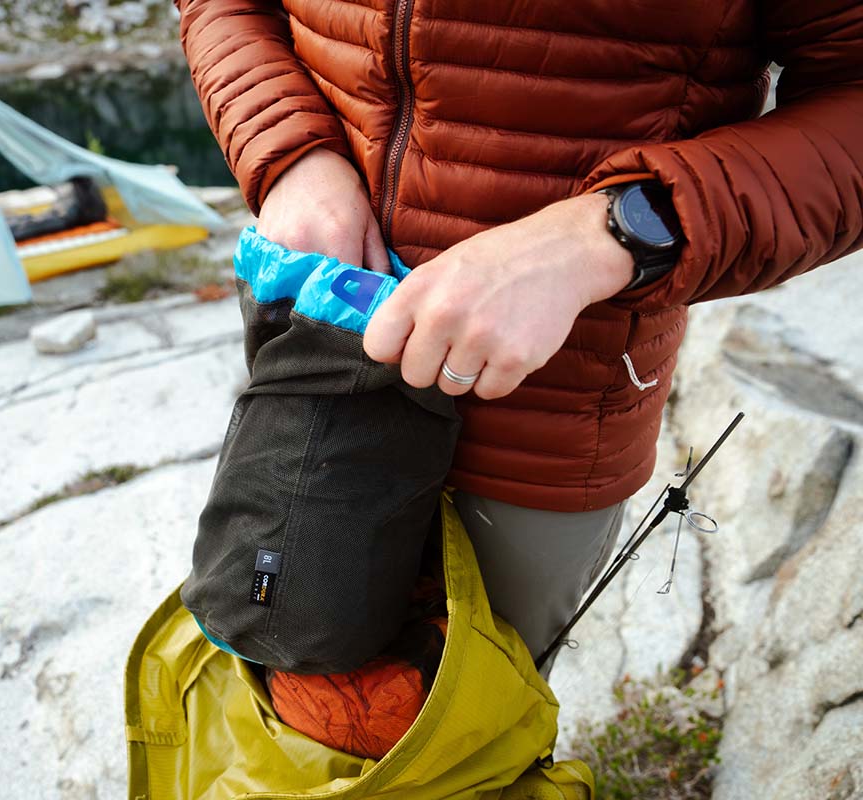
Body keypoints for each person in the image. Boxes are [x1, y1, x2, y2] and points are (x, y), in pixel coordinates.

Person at [171, 0, 863, 675]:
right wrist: (289, 154)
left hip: (542, 411)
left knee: (458, 745)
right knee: (286, 676)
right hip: (320, 341)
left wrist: (616, 231)